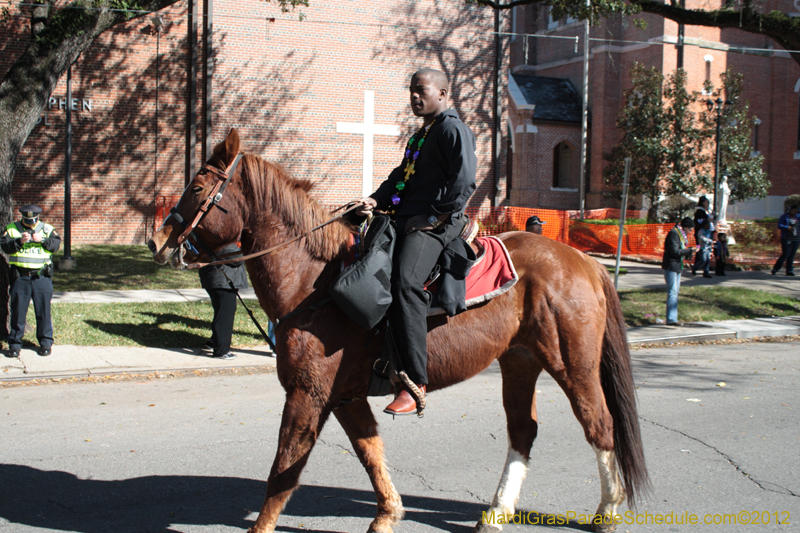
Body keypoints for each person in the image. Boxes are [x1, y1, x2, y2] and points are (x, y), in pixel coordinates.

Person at [355, 68, 477, 416]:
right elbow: (400, 176)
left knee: (405, 283)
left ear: (441, 94)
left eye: (421, 91)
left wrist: (437, 217)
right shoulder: (422, 134)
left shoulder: (454, 129)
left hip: (437, 223)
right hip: (407, 218)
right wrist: (376, 200)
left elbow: (465, 180)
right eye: (411, 91)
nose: (414, 97)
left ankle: (415, 383)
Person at [1, 205, 61, 357]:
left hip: (41, 277)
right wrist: (19, 241)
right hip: (20, 277)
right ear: (22, 218)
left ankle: (46, 343)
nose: (30, 224)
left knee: (43, 312)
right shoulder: (12, 229)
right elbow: (5, 246)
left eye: (32, 221)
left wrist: (43, 240)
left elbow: (55, 246)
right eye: (27, 221)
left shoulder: (47, 229)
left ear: (37, 218)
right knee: (18, 312)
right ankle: (14, 344)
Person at [198, 244, 248, 360]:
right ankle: (221, 350)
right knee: (225, 314)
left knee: (221, 311)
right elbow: (237, 259)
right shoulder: (222, 241)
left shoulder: (214, 239)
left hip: (218, 278)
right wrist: (246, 249)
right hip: (223, 279)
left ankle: (213, 342)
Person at [661, 217, 695, 326]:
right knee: (673, 292)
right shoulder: (674, 234)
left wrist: (689, 252)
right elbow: (675, 251)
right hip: (671, 266)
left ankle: (673, 318)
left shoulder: (680, 235)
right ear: (685, 227)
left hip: (677, 266)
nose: (690, 231)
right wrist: (689, 250)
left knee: (675, 292)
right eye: (690, 229)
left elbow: (680, 250)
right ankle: (671, 319)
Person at [772, 204, 799, 276]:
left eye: (796, 211)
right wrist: (788, 227)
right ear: (789, 210)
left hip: (796, 239)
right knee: (786, 254)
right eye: (793, 210)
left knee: (792, 255)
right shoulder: (784, 217)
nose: (795, 212)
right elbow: (779, 225)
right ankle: (775, 269)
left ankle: (789, 271)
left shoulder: (797, 217)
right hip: (787, 238)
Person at [692, 196, 711, 275]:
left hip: (708, 235)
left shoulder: (707, 211)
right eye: (707, 202)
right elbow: (699, 223)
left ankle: (706, 270)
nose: (708, 204)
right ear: (702, 202)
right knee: (701, 254)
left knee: (707, 256)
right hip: (702, 238)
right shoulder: (700, 212)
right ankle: (696, 266)